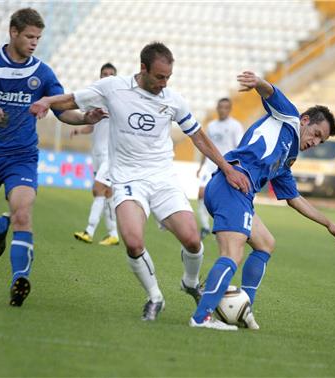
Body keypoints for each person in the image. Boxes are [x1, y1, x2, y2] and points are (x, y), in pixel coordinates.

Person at [30, 42, 250, 321]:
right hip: (127, 178)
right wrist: (47, 102)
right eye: (159, 76)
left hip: (162, 178)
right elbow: (72, 100)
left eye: (168, 77)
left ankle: (190, 282)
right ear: (143, 68)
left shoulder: (173, 99)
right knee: (133, 242)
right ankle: (155, 297)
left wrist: (226, 168)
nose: (164, 83)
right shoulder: (113, 87)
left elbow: (197, 136)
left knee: (193, 240)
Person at [0, 8, 105, 307]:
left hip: (21, 157)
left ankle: (19, 279)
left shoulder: (43, 73)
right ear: (13, 32)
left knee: (22, 213)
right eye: (29, 36)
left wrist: (87, 116)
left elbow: (65, 114)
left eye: (38, 37)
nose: (35, 42)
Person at [189, 71, 335, 331]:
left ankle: (243, 309)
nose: (315, 141)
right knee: (232, 254)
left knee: (265, 243)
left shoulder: (287, 159)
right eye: (316, 133)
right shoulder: (288, 118)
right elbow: (270, 92)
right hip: (232, 183)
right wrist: (258, 83)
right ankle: (202, 317)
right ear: (306, 120)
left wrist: (329, 223)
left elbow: (294, 199)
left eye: (321, 140)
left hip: (236, 191)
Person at [71, 63, 120, 246]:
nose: (107, 76)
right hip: (97, 155)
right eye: (104, 74)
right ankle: (113, 233)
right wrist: (78, 131)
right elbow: (92, 126)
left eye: (110, 74)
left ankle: (89, 231)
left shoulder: (118, 102)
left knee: (97, 189)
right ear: (99, 76)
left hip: (111, 156)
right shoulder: (96, 101)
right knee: (107, 194)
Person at [196, 98, 243, 239]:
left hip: (226, 168)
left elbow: (239, 148)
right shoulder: (211, 126)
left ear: (229, 109)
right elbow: (206, 147)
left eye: (225, 107)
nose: (222, 110)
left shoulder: (235, 126)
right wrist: (200, 166)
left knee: (224, 199)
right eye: (220, 107)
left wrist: (236, 168)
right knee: (201, 195)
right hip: (210, 165)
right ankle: (205, 226)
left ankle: (224, 228)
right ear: (217, 108)